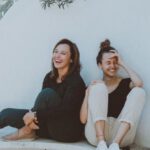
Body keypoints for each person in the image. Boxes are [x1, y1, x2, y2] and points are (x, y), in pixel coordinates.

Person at [0, 38, 86, 142]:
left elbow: (66, 110)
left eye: (63, 53)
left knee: (47, 94)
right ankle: (30, 130)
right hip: (47, 125)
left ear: (71, 59)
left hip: (66, 131)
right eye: (55, 52)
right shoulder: (49, 77)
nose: (57, 55)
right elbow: (41, 105)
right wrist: (32, 114)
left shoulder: (76, 81)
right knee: (6, 114)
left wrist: (35, 115)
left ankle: (28, 131)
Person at [80, 39, 146, 150]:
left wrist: (122, 63)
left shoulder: (125, 83)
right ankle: (101, 143)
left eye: (115, 62)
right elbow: (82, 119)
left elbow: (139, 83)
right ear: (100, 65)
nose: (112, 66)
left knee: (139, 91)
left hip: (120, 136)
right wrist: (88, 93)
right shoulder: (95, 86)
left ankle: (115, 144)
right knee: (99, 87)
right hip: (95, 136)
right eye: (108, 62)